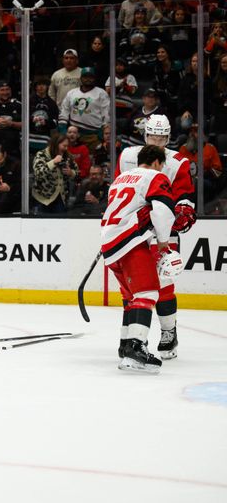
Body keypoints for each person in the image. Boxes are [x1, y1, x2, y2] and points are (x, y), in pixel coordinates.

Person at [114, 115, 195, 360]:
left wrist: (184, 209)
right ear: (145, 135)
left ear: (168, 137)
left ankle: (169, 333)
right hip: (134, 231)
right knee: (132, 285)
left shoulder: (177, 162)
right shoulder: (127, 156)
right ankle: (130, 338)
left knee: (163, 282)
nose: (157, 142)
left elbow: (184, 196)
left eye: (161, 138)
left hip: (163, 229)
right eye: (152, 137)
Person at [101, 144, 175, 374]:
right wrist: (163, 240)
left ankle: (125, 345)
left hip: (110, 241)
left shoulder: (121, 178)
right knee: (148, 292)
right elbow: (163, 209)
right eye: (161, 164)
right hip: (130, 240)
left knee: (132, 296)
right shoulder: (155, 176)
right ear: (156, 162)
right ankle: (135, 349)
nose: (162, 168)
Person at [58, 67, 110, 151]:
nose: (88, 79)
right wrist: (63, 128)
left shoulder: (101, 93)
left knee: (92, 159)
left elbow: (107, 114)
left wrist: (103, 131)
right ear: (81, 78)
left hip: (93, 135)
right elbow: (64, 111)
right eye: (85, 77)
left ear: (94, 78)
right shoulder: (72, 93)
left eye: (90, 77)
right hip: (73, 134)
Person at [31, 134, 78, 214]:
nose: (66, 148)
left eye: (67, 146)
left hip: (61, 198)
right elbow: (38, 173)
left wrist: (71, 173)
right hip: (43, 198)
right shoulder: (41, 155)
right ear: (56, 144)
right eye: (64, 146)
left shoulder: (67, 156)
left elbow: (77, 173)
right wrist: (53, 162)